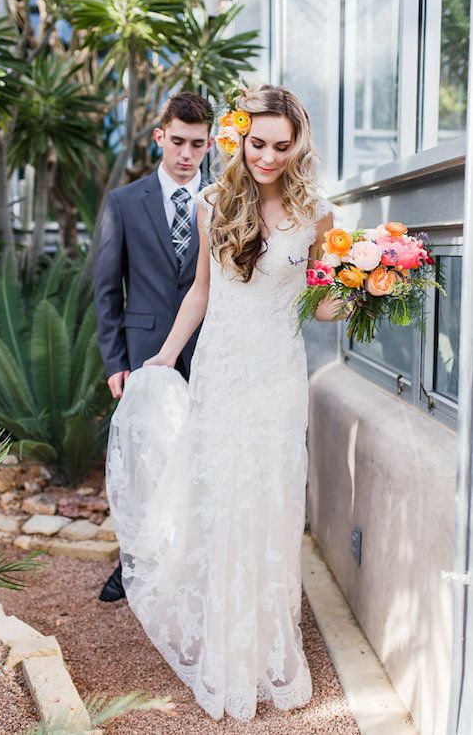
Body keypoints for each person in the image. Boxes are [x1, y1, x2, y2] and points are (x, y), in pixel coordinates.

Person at [106, 84, 345, 721]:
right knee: (221, 502)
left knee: (268, 503)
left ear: (299, 146)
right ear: (239, 138)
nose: (266, 156)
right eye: (256, 142)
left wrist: (359, 289)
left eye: (280, 145)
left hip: (278, 377)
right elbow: (200, 295)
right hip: (222, 371)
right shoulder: (216, 202)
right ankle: (223, 652)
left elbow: (320, 304)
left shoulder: (318, 215)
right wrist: (164, 354)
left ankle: (267, 649)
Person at [94, 91, 214, 602]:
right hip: (144, 351)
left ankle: (195, 561)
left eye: (198, 144)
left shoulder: (225, 203)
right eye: (178, 141)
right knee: (143, 461)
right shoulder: (124, 203)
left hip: (211, 350)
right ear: (159, 137)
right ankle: (132, 563)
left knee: (203, 456)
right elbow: (106, 287)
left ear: (210, 144)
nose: (187, 154)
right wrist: (115, 361)